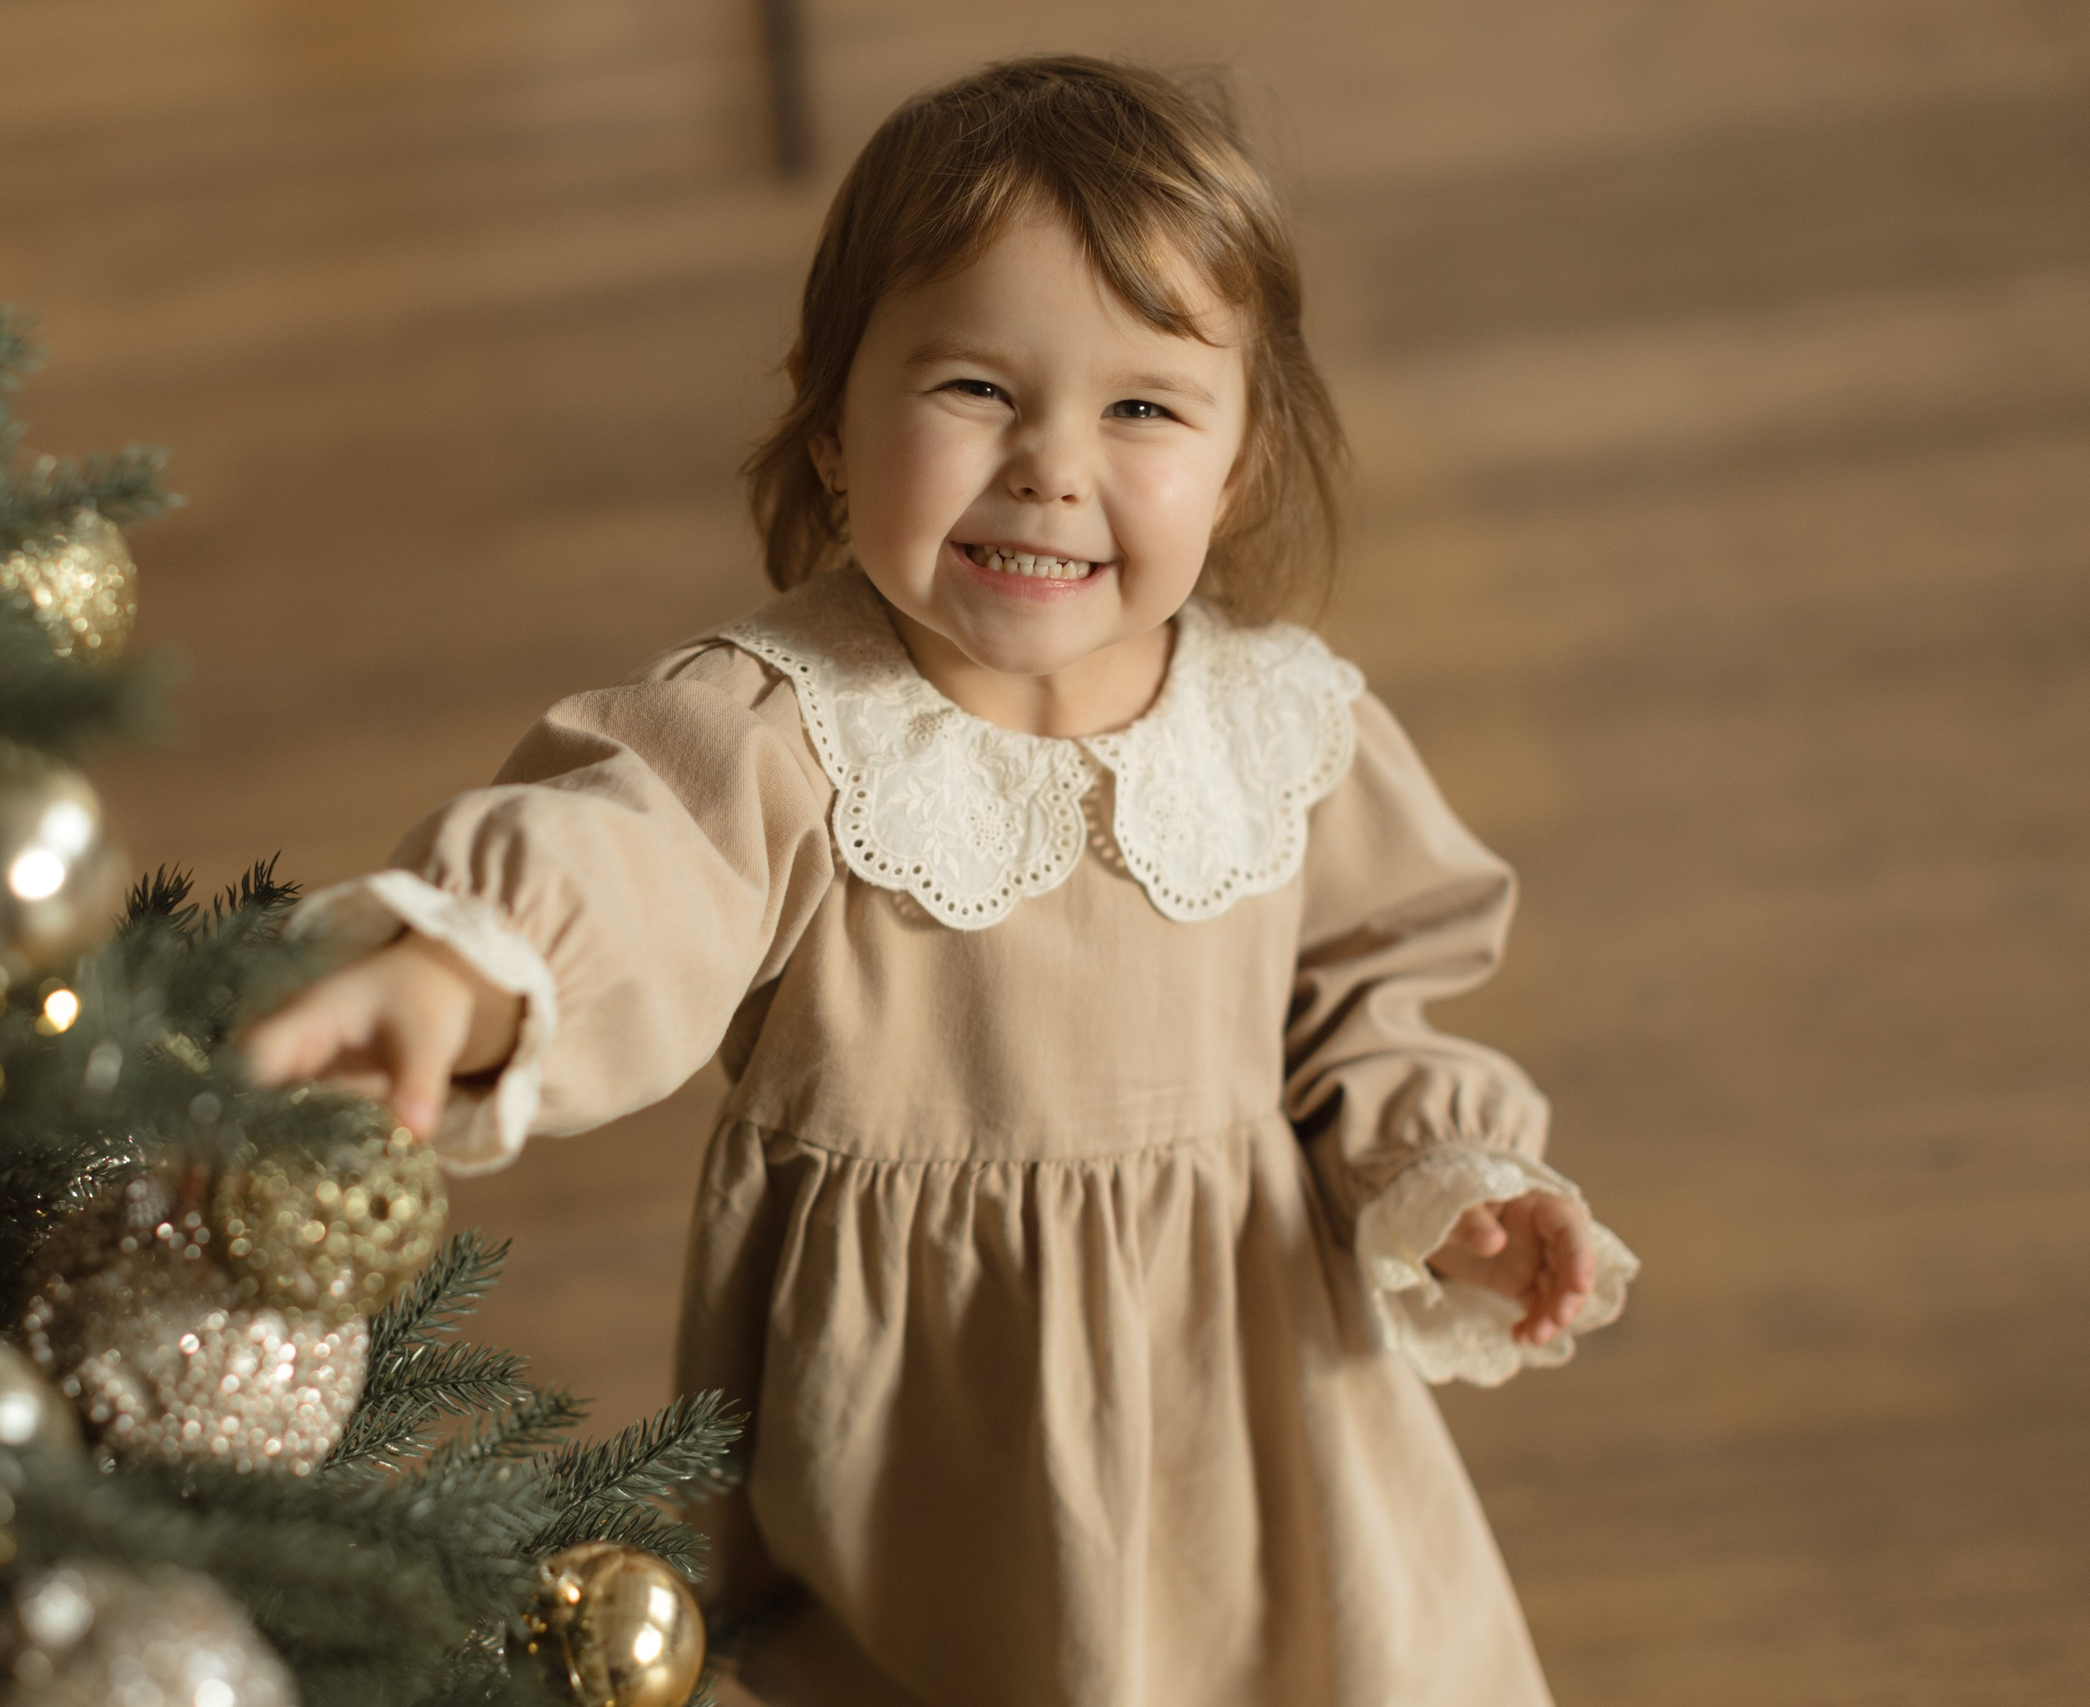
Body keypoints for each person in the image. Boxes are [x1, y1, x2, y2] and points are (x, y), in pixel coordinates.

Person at [245, 55, 1637, 1707]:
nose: (1054, 464)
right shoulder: (783, 729)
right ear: (831, 417)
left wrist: (1446, 1179)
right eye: (976, 388)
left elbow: (1361, 1013)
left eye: (1143, 407)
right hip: (937, 1451)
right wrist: (467, 969)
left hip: (1260, 1411)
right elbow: (632, 861)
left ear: (1241, 459)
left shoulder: (1285, 729)